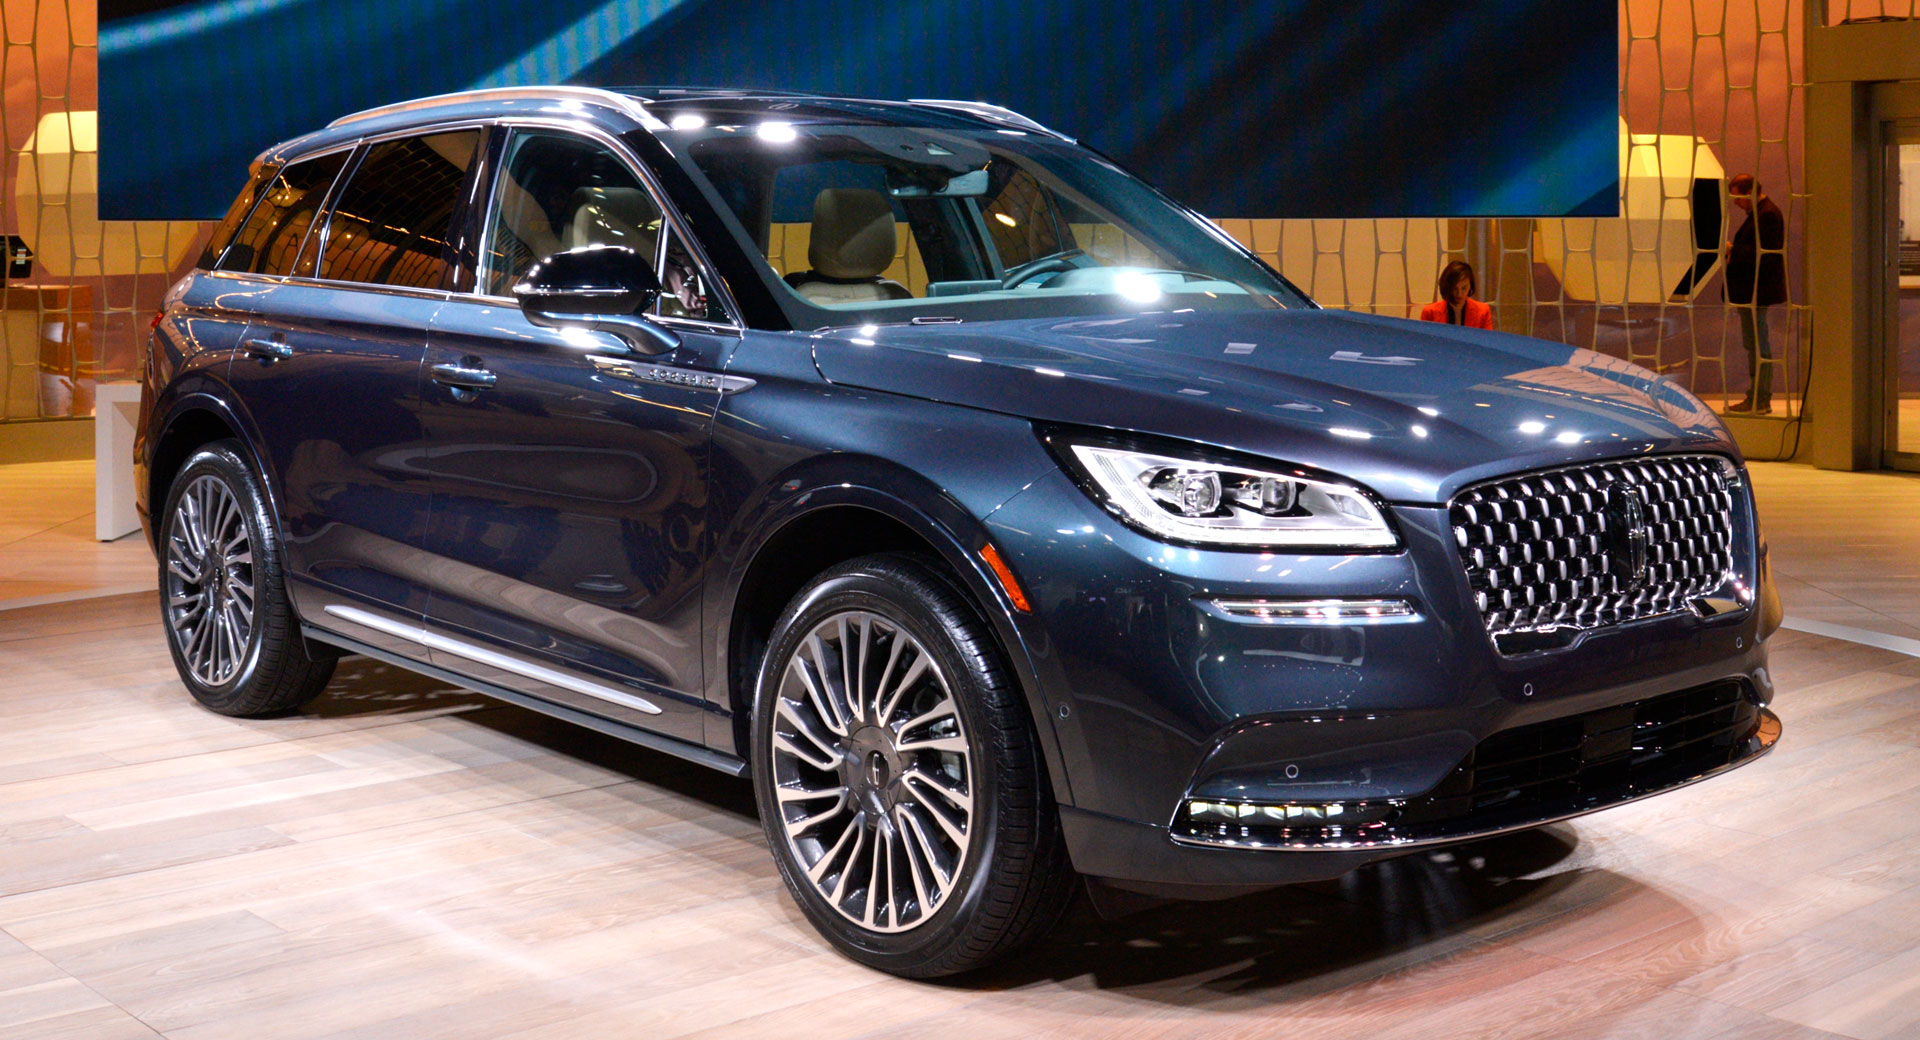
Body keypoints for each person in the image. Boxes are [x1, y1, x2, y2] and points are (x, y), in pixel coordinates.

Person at [1723, 173, 1787, 413]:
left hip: (1755, 292)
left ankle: (1760, 398)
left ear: (1749, 193)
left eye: (1737, 197)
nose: (1735, 202)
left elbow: (1764, 255)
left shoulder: (1766, 215)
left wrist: (1732, 249)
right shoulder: (1763, 213)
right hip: (1753, 292)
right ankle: (1758, 397)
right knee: (1755, 345)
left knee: (1758, 346)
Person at [1419, 260, 1494, 329]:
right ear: (1447, 287)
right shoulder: (1430, 312)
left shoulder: (1482, 312)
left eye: (1464, 288)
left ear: (1470, 286)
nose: (1459, 293)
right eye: (1455, 288)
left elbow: (1487, 339)